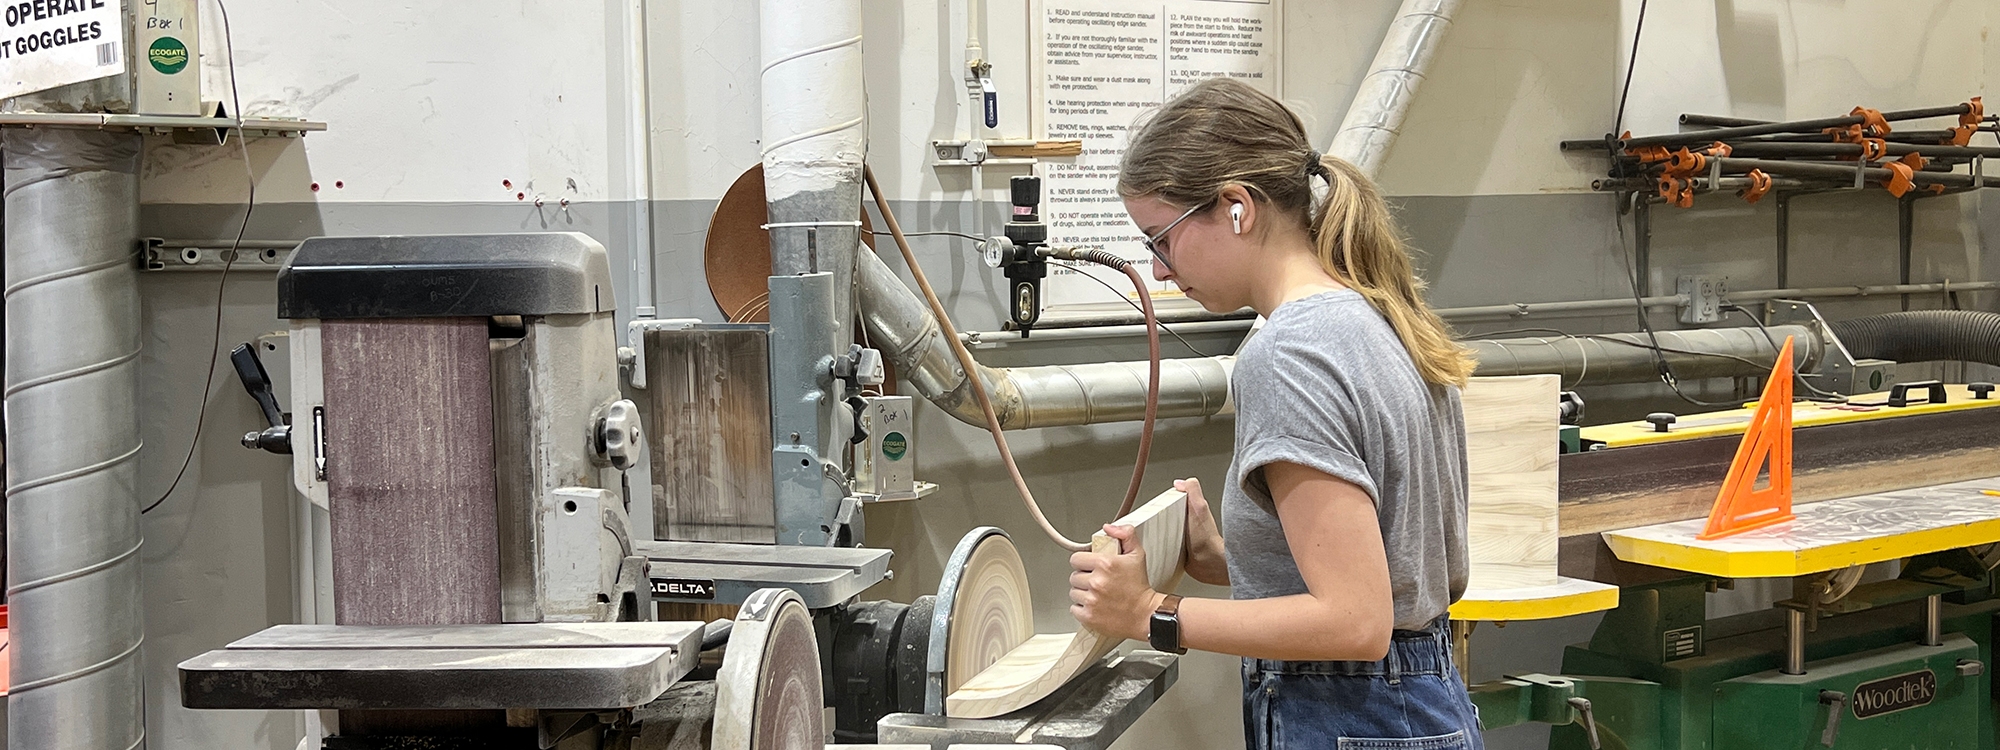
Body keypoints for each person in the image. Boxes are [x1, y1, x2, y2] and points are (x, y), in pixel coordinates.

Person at [1066, 77, 1483, 749]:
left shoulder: (1289, 353)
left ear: (1236, 207)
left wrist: (1148, 613)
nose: (1161, 272)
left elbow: (1355, 622)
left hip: (1354, 713)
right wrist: (1226, 558)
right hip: (1410, 704)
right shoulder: (1377, 315)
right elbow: (1382, 563)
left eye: (1161, 239)